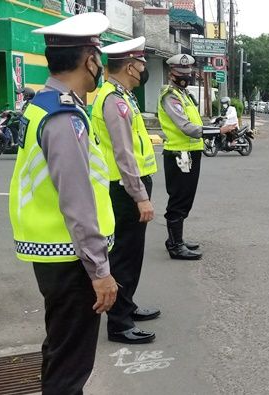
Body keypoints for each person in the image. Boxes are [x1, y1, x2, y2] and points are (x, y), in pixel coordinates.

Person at [8, 13, 117, 394]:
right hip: (71, 257)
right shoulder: (63, 116)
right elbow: (77, 200)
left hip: (55, 253)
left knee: (60, 348)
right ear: (89, 58)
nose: (100, 66)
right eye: (98, 57)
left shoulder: (44, 102)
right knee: (71, 362)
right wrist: (100, 270)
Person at [91, 36, 159, 344]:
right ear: (131, 66)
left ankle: (126, 306)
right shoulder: (113, 100)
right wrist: (140, 196)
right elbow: (123, 154)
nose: (144, 68)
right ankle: (119, 323)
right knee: (125, 257)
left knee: (132, 254)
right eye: (142, 63)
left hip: (127, 185)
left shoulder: (121, 95)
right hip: (124, 188)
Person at [157, 54, 203, 260]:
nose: (185, 77)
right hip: (179, 154)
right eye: (180, 74)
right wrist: (215, 131)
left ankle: (177, 239)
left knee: (186, 199)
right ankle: (175, 245)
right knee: (179, 199)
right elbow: (186, 127)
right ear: (171, 73)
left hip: (190, 152)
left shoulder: (184, 94)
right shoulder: (170, 96)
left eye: (188, 73)